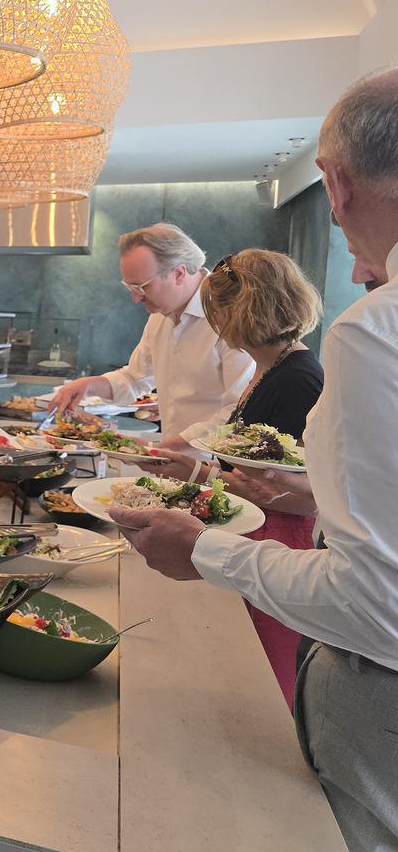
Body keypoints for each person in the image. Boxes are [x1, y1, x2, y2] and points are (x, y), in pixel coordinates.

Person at [111, 69, 398, 851]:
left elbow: (374, 600)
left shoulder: (372, 333)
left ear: (335, 184)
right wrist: (306, 496)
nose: (358, 272)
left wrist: (202, 548)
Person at [137, 249, 324, 707]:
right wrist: (192, 469)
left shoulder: (299, 378)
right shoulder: (268, 367)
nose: (215, 326)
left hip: (279, 543)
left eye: (217, 313)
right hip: (253, 529)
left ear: (242, 312)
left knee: (263, 678)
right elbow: (244, 473)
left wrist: (227, 481)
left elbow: (308, 494)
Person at [51, 224, 256, 443]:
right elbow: (134, 379)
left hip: (211, 459)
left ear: (179, 273)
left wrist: (172, 445)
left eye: (143, 287)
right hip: (172, 456)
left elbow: (240, 410)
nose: (135, 298)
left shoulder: (229, 314)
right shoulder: (160, 316)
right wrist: (88, 385)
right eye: (131, 288)